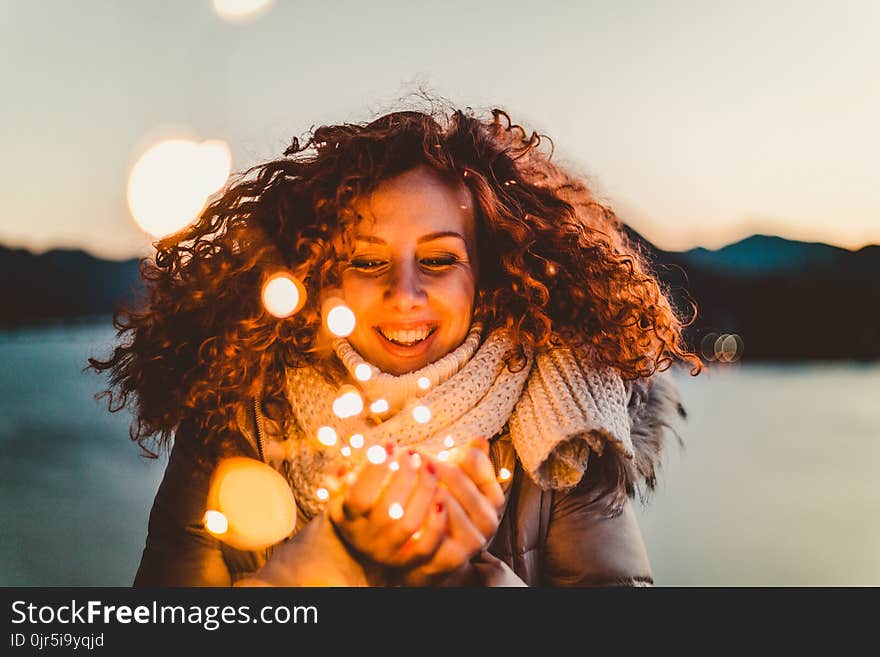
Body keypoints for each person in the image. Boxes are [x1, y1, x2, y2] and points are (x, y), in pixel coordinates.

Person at [90, 105, 703, 587]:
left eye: (438, 258)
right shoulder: (238, 414)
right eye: (365, 260)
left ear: (487, 276)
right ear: (321, 273)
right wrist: (336, 557)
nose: (404, 293)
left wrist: (467, 581)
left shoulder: (565, 423)